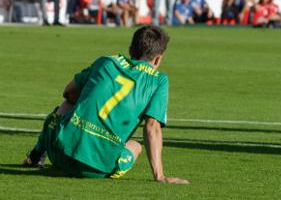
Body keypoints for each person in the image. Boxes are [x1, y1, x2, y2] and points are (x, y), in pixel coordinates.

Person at [22, 26, 189, 184]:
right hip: (97, 169)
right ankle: (111, 163)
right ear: (158, 59)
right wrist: (160, 176)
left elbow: (68, 92)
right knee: (136, 146)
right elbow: (152, 126)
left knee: (66, 105)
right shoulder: (158, 80)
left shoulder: (106, 62)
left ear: (131, 49)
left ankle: (35, 157)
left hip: (60, 155)